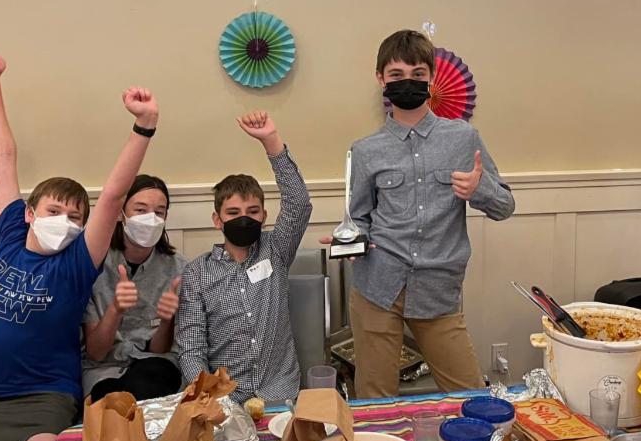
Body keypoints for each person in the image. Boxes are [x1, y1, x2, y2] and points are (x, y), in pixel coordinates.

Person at [0, 54, 158, 441]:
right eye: (55, 212)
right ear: (31, 213)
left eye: (76, 217)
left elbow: (113, 197)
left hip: (40, 396)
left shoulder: (74, 266)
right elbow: (3, 157)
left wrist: (143, 126)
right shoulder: (11, 236)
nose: (65, 223)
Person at [323, 29, 515, 399]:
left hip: (439, 290)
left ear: (431, 77)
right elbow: (359, 217)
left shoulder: (463, 138)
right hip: (377, 288)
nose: (407, 81)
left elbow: (505, 206)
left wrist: (479, 190)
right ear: (381, 79)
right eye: (396, 74)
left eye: (417, 74)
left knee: (469, 396)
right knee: (375, 401)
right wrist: (350, 238)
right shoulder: (365, 150)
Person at [175, 111, 312, 403]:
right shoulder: (197, 272)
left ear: (263, 216)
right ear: (217, 220)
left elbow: (299, 203)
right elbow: (191, 347)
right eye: (233, 213)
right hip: (224, 397)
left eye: (252, 212)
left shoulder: (276, 249)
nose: (243, 219)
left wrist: (271, 142)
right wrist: (209, 397)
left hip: (279, 391)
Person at [82, 174, 186, 401]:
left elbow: (159, 350)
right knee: (109, 400)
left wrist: (167, 320)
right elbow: (96, 353)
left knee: (149, 382)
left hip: (154, 366)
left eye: (159, 212)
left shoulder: (178, 269)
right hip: (104, 368)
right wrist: (115, 309)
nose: (151, 219)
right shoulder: (94, 265)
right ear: (122, 213)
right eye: (140, 210)